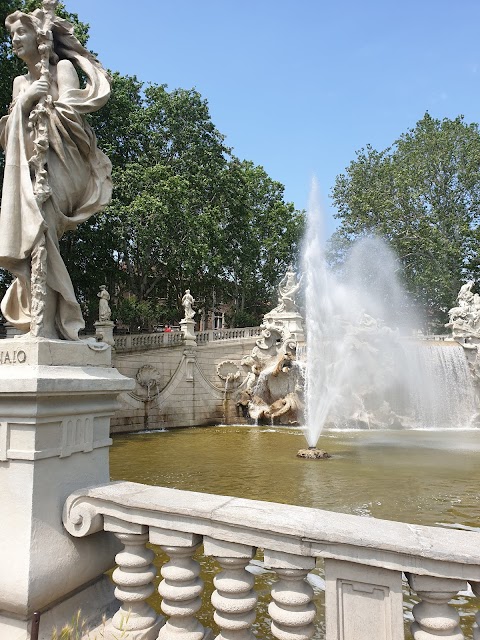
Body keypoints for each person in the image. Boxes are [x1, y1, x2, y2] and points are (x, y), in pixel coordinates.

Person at [0, 8, 111, 339]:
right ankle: (43, 322)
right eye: (11, 36)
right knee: (33, 234)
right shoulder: (21, 82)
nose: (14, 41)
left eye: (20, 33)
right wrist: (25, 105)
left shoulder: (61, 68)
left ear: (40, 36)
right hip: (30, 167)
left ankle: (52, 322)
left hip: (62, 163)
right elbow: (8, 136)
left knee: (42, 230)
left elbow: (73, 114)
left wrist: (48, 110)